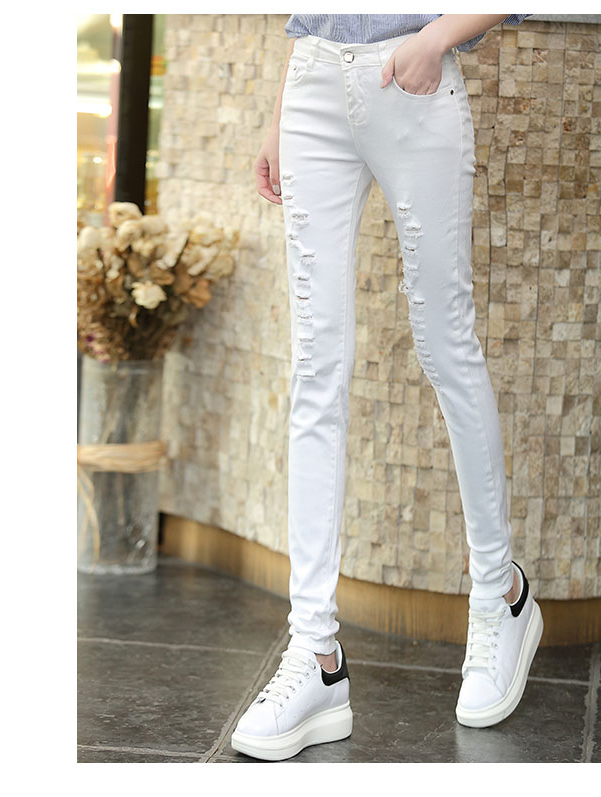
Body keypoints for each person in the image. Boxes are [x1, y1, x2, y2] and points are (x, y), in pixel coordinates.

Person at [231, 13, 541, 762]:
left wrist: (439, 37)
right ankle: (316, 655)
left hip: (413, 80)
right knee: (315, 366)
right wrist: (281, 110)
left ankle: (500, 593)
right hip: (311, 84)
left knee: (446, 345)